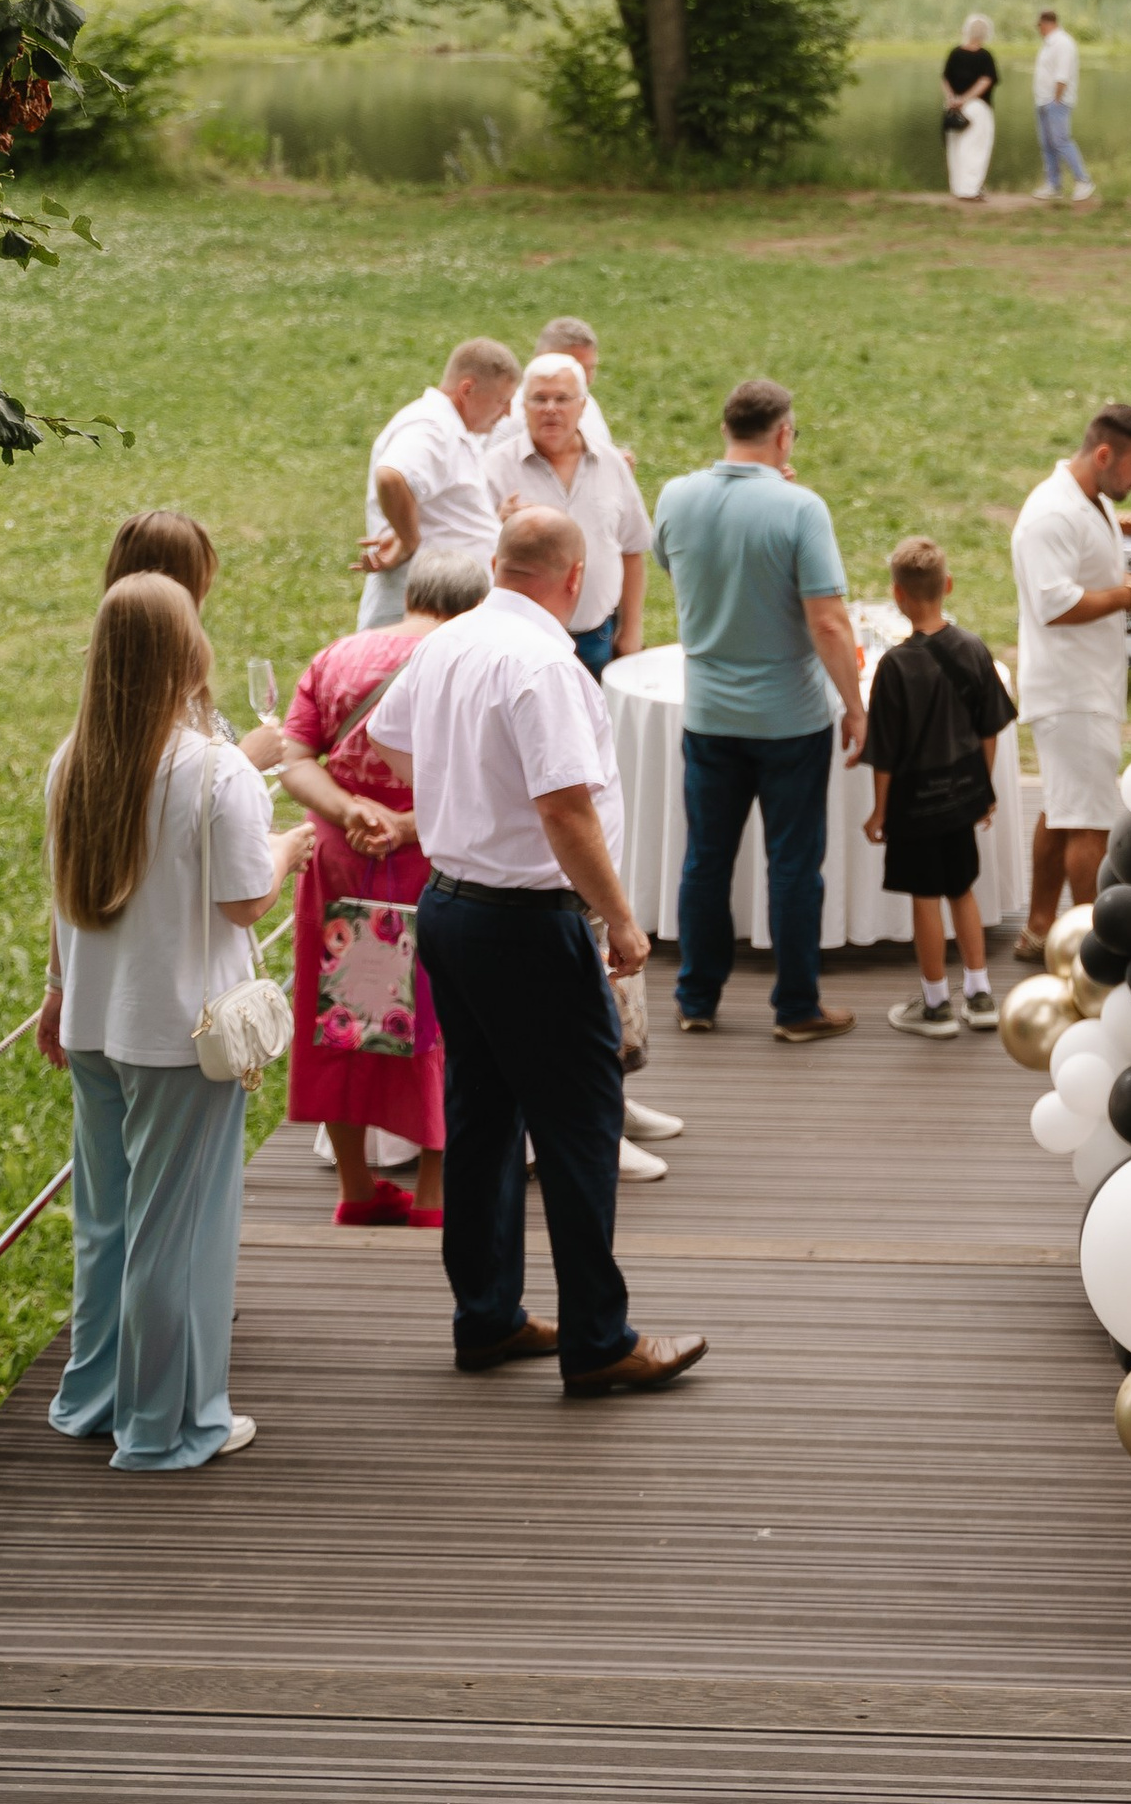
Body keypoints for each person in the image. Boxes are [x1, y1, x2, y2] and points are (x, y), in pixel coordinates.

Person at [368, 505, 706, 1398]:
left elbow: (384, 740)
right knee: (581, 1124)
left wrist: (462, 797)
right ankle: (598, 1338)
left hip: (449, 906)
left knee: (480, 1118)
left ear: (496, 564)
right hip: (525, 918)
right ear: (576, 577)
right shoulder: (547, 663)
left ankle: (486, 1316)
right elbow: (565, 810)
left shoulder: (447, 640)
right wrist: (623, 921)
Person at [37, 571, 316, 1468]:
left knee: (108, 1220)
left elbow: (63, 897)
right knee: (178, 1233)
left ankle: (95, 1395)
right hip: (181, 1033)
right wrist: (286, 849)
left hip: (93, 1019)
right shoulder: (216, 770)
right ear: (188, 649)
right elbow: (243, 903)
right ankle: (169, 1426)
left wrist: (54, 989)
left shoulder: (75, 756)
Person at [277, 542, 490, 1229]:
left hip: (340, 863)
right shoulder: (468, 664)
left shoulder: (337, 657)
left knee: (345, 1019)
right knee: (440, 1022)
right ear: (475, 608)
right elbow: (484, 784)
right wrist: (403, 825)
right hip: (431, 864)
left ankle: (357, 1187)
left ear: (411, 596)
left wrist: (349, 811)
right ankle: (433, 1192)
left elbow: (295, 760)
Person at [654, 377, 865, 1047]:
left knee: (706, 862)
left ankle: (696, 996)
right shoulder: (801, 509)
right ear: (782, 434)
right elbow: (829, 624)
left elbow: (674, 562)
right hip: (790, 718)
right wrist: (855, 707)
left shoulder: (676, 496)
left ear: (726, 428)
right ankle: (796, 1004)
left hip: (710, 713)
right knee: (795, 865)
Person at [1009, 402, 1131, 960]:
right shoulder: (1053, 514)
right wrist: (1130, 596)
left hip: (1085, 687)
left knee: (1062, 811)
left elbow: (1085, 579)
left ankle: (1037, 929)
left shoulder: (1090, 500)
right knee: (1091, 824)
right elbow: (1056, 604)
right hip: (1070, 692)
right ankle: (1086, 949)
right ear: (1104, 454)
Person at [861, 536, 1014, 1040]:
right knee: (961, 890)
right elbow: (991, 727)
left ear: (898, 595)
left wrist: (879, 811)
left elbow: (882, 751)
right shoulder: (972, 649)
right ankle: (980, 992)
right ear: (946, 585)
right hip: (961, 797)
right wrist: (983, 789)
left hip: (913, 803)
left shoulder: (894, 666)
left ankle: (935, 1005)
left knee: (925, 898)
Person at [488, 354, 653, 678]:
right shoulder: (494, 468)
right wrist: (497, 523)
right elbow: (475, 554)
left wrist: (631, 630)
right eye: (539, 399)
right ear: (523, 407)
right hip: (520, 645)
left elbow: (632, 549)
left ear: (583, 405)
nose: (551, 408)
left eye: (562, 398)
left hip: (597, 639)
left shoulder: (611, 463)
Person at [101, 507, 287, 773]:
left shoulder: (123, 680)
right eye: (200, 587)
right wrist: (245, 763)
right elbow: (168, 796)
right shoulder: (148, 695)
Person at [355, 338, 518, 627]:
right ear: (467, 389)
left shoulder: (448, 427)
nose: (507, 413)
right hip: (424, 616)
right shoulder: (432, 427)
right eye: (502, 401)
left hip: (445, 610)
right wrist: (409, 540)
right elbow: (392, 476)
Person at [531, 315, 623, 456]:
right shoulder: (513, 417)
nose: (586, 379)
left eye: (590, 368)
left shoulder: (587, 403)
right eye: (576, 368)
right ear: (541, 360)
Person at [1031, 7, 1095, 205]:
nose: (1038, 29)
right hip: (1043, 101)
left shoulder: (1062, 43)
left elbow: (1062, 75)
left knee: (1061, 142)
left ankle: (1083, 180)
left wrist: (1056, 100)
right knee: (1048, 145)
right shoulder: (1048, 44)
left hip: (1055, 102)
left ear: (1046, 23)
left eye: (1039, 25)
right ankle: (1054, 185)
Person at [940, 12, 996, 201]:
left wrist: (952, 99)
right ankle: (971, 189)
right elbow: (985, 81)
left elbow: (945, 78)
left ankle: (958, 187)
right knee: (976, 148)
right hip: (976, 107)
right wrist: (966, 99)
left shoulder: (955, 53)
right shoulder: (985, 56)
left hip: (954, 108)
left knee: (956, 147)